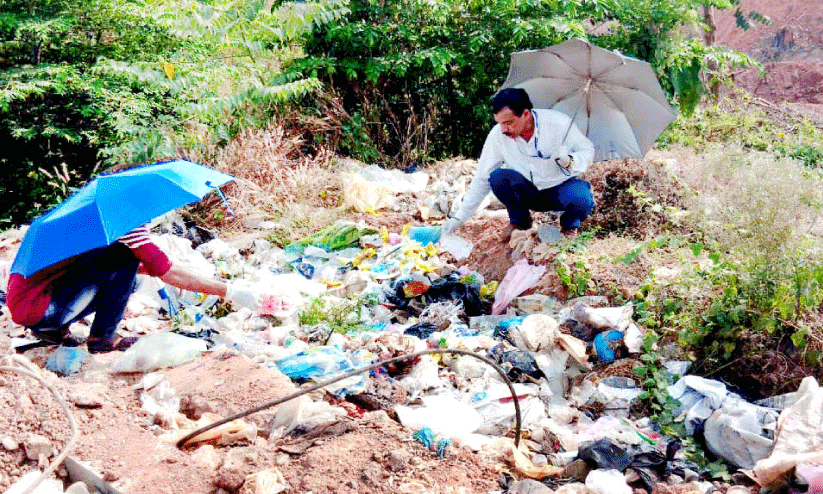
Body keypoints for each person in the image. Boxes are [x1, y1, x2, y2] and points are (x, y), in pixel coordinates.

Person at [7, 225, 262, 353]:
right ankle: (102, 338)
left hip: (29, 306)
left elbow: (95, 271)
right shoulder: (125, 226)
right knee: (125, 257)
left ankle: (54, 329)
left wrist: (154, 267)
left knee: (133, 277)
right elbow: (167, 272)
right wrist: (230, 291)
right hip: (40, 307)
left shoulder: (85, 223)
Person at [442, 88, 595, 241]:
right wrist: (459, 218)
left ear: (526, 115)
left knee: (582, 198)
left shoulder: (558, 124)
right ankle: (520, 222)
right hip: (527, 191)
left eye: (508, 123)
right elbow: (482, 177)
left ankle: (569, 227)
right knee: (498, 178)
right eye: (500, 123)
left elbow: (588, 151)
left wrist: (570, 160)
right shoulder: (497, 136)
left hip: (559, 190)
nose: (503, 130)